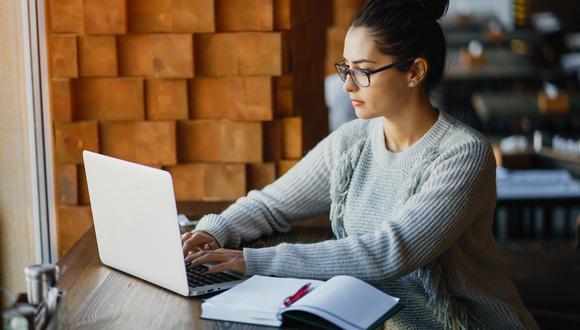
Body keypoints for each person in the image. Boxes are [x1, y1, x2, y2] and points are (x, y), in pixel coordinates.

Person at [182, 0, 539, 328]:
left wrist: (255, 261)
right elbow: (271, 204)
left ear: (415, 71)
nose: (347, 86)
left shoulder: (463, 155)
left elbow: (389, 252)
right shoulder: (352, 141)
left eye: (363, 71)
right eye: (345, 69)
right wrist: (215, 230)